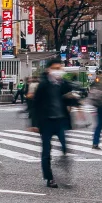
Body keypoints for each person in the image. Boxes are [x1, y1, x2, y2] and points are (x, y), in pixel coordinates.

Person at [30, 59, 77, 189]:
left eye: (60, 68)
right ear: (48, 70)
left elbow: (70, 96)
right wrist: (34, 123)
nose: (58, 71)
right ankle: (49, 178)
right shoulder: (43, 84)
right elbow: (35, 104)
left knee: (65, 147)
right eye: (55, 68)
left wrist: (74, 103)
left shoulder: (63, 83)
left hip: (60, 120)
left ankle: (63, 168)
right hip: (46, 122)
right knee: (46, 151)